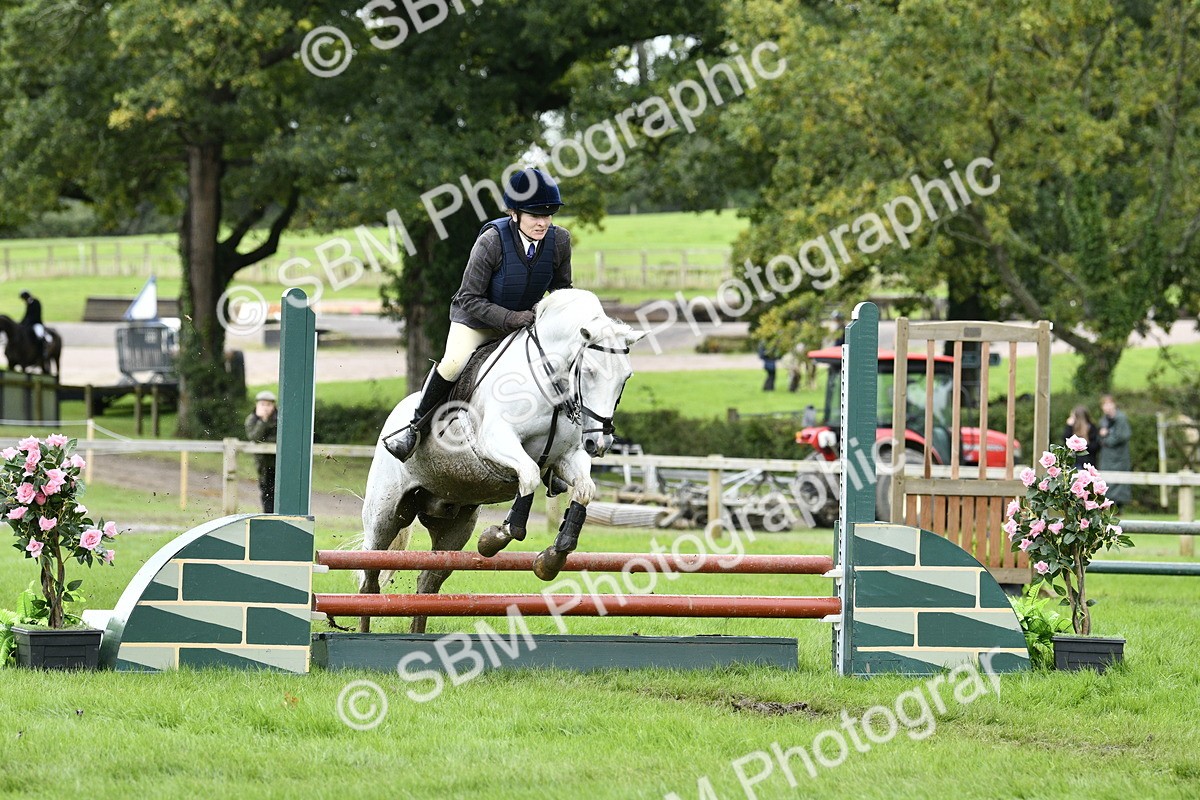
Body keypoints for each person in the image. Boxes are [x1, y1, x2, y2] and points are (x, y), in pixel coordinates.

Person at [385, 168, 572, 461]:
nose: (543, 223)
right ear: (514, 213)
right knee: (454, 362)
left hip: (523, 323)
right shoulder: (492, 240)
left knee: (561, 364)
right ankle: (414, 429)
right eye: (535, 215)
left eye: (548, 216)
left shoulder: (559, 241)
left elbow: (562, 290)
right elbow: (468, 297)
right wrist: (511, 319)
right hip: (476, 321)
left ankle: (560, 451)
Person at [245, 390, 278, 513]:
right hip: (263, 465)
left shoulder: (280, 419)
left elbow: (281, 439)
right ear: (257, 405)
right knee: (266, 493)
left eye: (268, 405)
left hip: (279, 464)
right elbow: (254, 437)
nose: (266, 408)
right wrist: (263, 422)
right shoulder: (252, 420)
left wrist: (265, 441)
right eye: (262, 404)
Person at [1098, 394, 1133, 508]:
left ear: (1114, 404)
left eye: (1109, 403)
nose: (1107, 407)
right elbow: (1099, 437)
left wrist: (1107, 437)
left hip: (1119, 457)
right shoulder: (1103, 420)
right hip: (1107, 457)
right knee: (1106, 482)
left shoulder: (1121, 418)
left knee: (1119, 483)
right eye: (1104, 404)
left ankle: (1118, 508)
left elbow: (1122, 436)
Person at [1063, 405, 1101, 469]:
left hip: (1087, 462)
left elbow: (1095, 446)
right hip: (1077, 462)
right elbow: (1066, 440)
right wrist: (1069, 427)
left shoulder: (1091, 428)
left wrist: (1083, 446)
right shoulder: (1073, 428)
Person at [19, 290, 45, 363]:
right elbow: (26, 315)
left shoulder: (36, 302)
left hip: (36, 323)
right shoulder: (28, 304)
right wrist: (21, 323)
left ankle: (42, 352)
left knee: (39, 335)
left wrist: (28, 322)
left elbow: (36, 315)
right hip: (29, 324)